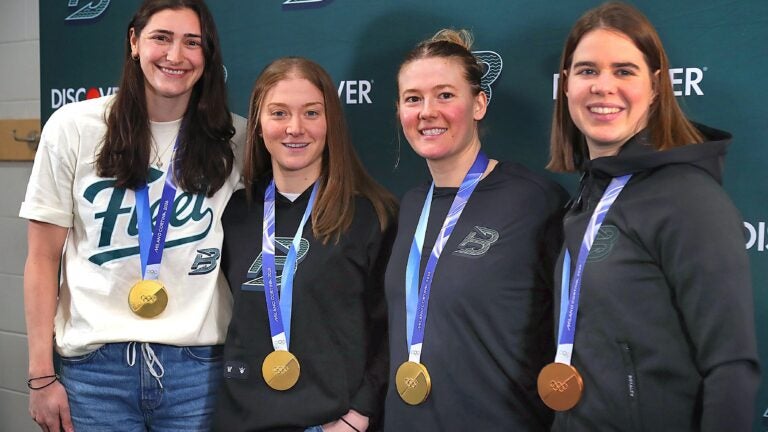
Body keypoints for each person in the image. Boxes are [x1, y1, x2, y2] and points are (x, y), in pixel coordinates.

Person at [19, 0, 246, 430]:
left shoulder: (236, 139)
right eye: (162, 37)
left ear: (207, 54)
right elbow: (42, 258)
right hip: (95, 371)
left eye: (192, 42)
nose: (175, 55)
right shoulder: (73, 127)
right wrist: (40, 374)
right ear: (134, 42)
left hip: (199, 370)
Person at [545, 2, 760, 430]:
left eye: (624, 71)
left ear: (657, 87)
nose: (603, 87)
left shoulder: (688, 198)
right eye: (587, 71)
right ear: (566, 85)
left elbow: (732, 366)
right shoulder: (586, 197)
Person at [383, 29, 568, 431]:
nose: (427, 111)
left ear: (479, 103)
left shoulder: (533, 200)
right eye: (413, 98)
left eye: (445, 95)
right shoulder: (411, 205)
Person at [211, 57, 397, 432]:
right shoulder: (232, 214)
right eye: (279, 113)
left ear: (331, 123)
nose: (295, 128)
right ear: (258, 125)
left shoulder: (371, 216)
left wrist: (359, 414)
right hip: (243, 421)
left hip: (332, 422)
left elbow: (391, 329)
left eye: (311, 113)